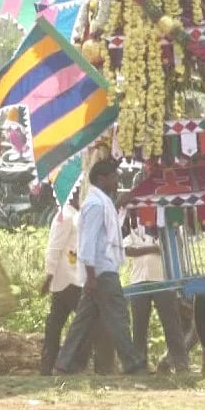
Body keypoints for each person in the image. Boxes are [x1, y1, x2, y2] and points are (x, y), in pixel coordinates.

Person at [55, 159, 143, 375]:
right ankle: (131, 363)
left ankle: (63, 364)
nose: (116, 181)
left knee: (83, 322)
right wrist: (92, 276)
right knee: (119, 316)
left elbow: (105, 230)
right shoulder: (94, 204)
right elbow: (87, 243)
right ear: (101, 179)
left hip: (100, 270)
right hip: (101, 271)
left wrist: (119, 203)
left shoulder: (101, 201)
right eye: (113, 177)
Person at [125, 217, 189, 373]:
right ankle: (140, 366)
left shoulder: (168, 222)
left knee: (171, 324)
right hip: (139, 279)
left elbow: (175, 248)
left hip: (164, 278)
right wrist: (154, 249)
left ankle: (180, 363)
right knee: (139, 326)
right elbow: (127, 249)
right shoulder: (133, 223)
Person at [40, 191, 82, 375]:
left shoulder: (74, 215)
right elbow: (54, 247)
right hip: (68, 279)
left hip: (71, 276)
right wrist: (48, 276)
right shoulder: (66, 216)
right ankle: (65, 364)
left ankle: (49, 365)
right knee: (83, 322)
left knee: (55, 323)